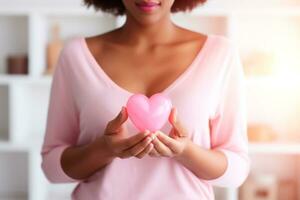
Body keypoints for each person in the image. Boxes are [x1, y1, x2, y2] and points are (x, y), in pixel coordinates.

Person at [41, 0, 250, 199]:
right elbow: (52, 167)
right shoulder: (76, 55)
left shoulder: (220, 54)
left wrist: (186, 151)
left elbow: (237, 170)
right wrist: (105, 149)